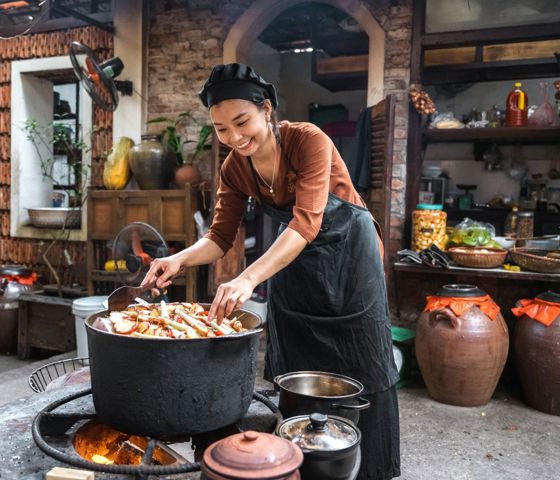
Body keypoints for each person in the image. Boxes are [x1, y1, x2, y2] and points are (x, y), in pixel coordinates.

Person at [142, 63, 400, 479]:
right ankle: (298, 464)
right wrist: (178, 259)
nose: (234, 137)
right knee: (296, 362)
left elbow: (306, 222)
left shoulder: (306, 140)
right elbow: (219, 237)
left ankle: (369, 470)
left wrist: (247, 277)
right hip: (293, 260)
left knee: (363, 363)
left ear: (267, 109)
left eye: (241, 121)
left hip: (350, 257)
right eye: (221, 129)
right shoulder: (234, 167)